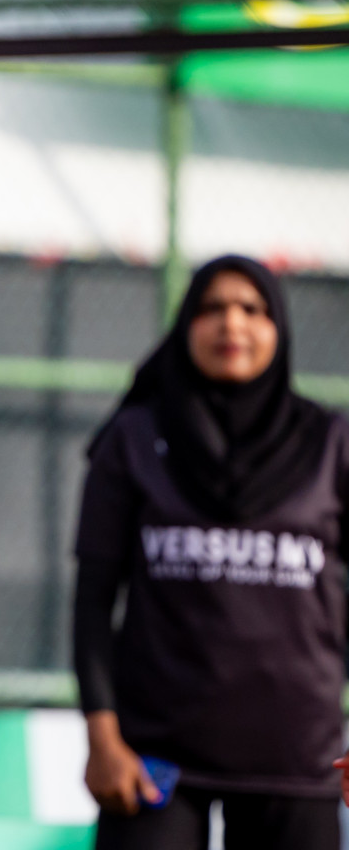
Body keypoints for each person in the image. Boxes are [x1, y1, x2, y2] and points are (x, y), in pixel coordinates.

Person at [73, 255, 349, 849]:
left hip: (300, 761)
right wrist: (102, 738)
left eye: (252, 309)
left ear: (279, 327)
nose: (232, 324)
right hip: (153, 761)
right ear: (185, 325)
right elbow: (93, 600)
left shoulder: (330, 443)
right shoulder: (135, 440)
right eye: (212, 308)